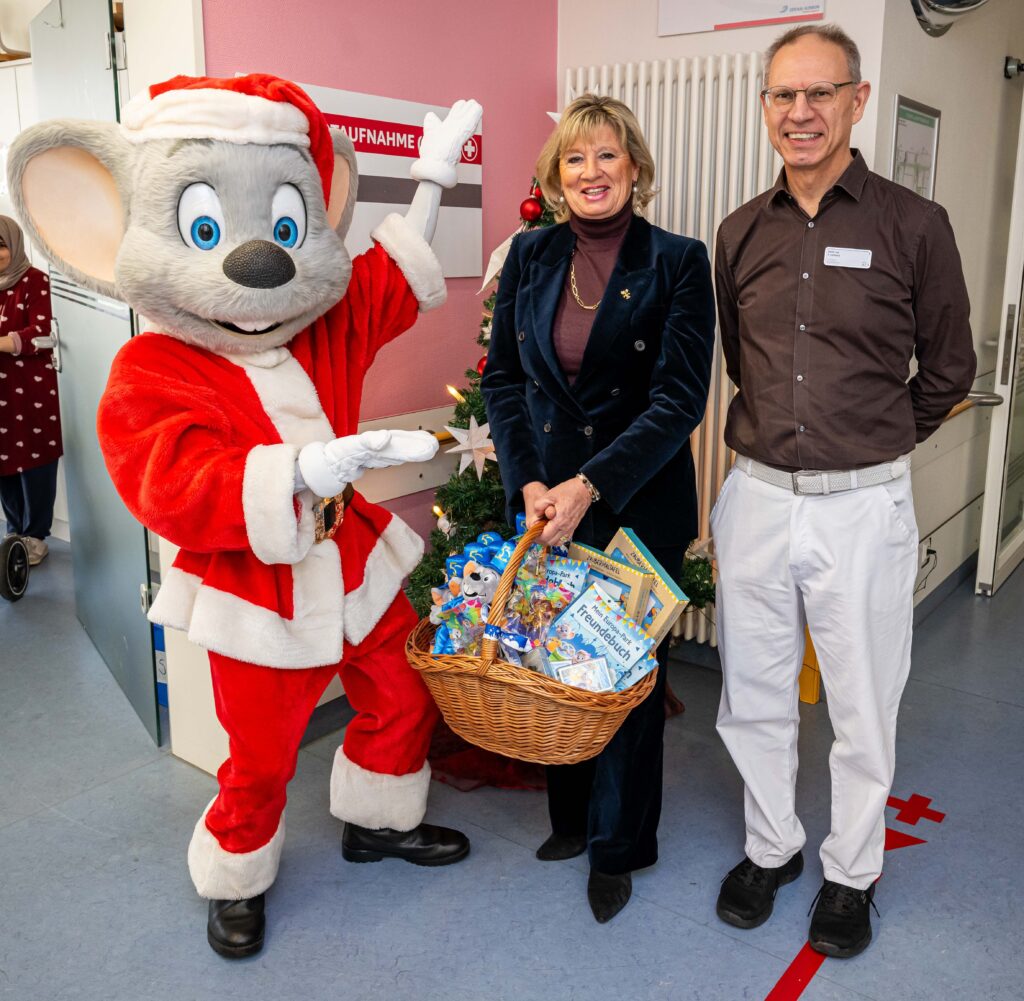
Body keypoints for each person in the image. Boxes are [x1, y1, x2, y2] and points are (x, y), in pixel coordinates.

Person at [712, 24, 976, 958]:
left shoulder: (914, 224)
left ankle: (851, 871)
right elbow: (744, 364)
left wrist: (875, 441)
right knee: (752, 690)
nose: (801, 113)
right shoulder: (739, 232)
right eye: (784, 96)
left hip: (865, 505)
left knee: (863, 699)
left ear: (858, 101)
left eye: (820, 94)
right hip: (756, 496)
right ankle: (771, 845)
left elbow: (949, 369)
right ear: (766, 108)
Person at [482, 94, 715, 923]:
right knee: (554, 659)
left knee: (623, 675)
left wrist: (593, 484)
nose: (591, 172)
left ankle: (621, 844)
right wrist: (529, 483)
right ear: (555, 176)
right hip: (548, 497)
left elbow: (680, 398)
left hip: (635, 498)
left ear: (636, 169)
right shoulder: (530, 257)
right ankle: (571, 820)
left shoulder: (679, 261)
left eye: (607, 156)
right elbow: (504, 380)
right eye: (575, 159)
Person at [0, 216, 59, 566]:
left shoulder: (35, 282)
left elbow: (41, 335)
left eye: (2, 246)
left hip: (30, 390)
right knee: (3, 462)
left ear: (15, 245)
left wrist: (4, 342)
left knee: (35, 461)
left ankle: (36, 535)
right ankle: (14, 531)